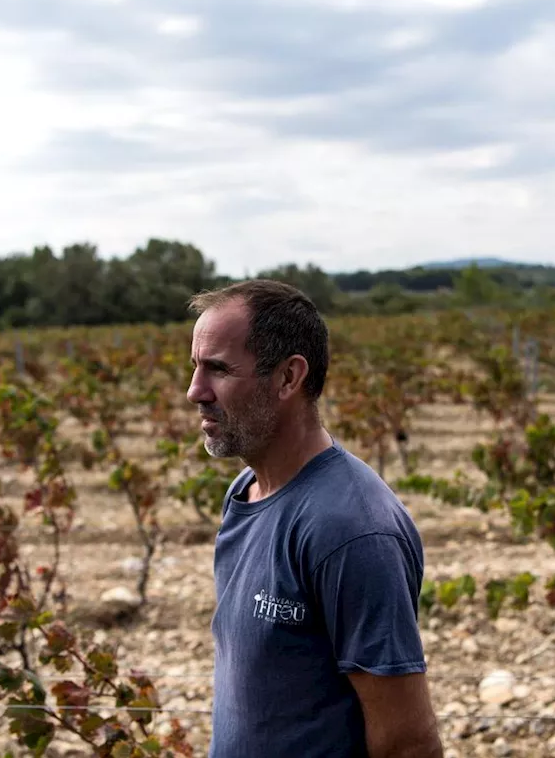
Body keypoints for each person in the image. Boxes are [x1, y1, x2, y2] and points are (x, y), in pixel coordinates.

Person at [185, 279, 443, 758]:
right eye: (195, 367)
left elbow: (407, 743)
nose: (195, 391)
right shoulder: (245, 492)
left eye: (218, 369)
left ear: (288, 377)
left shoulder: (349, 529)